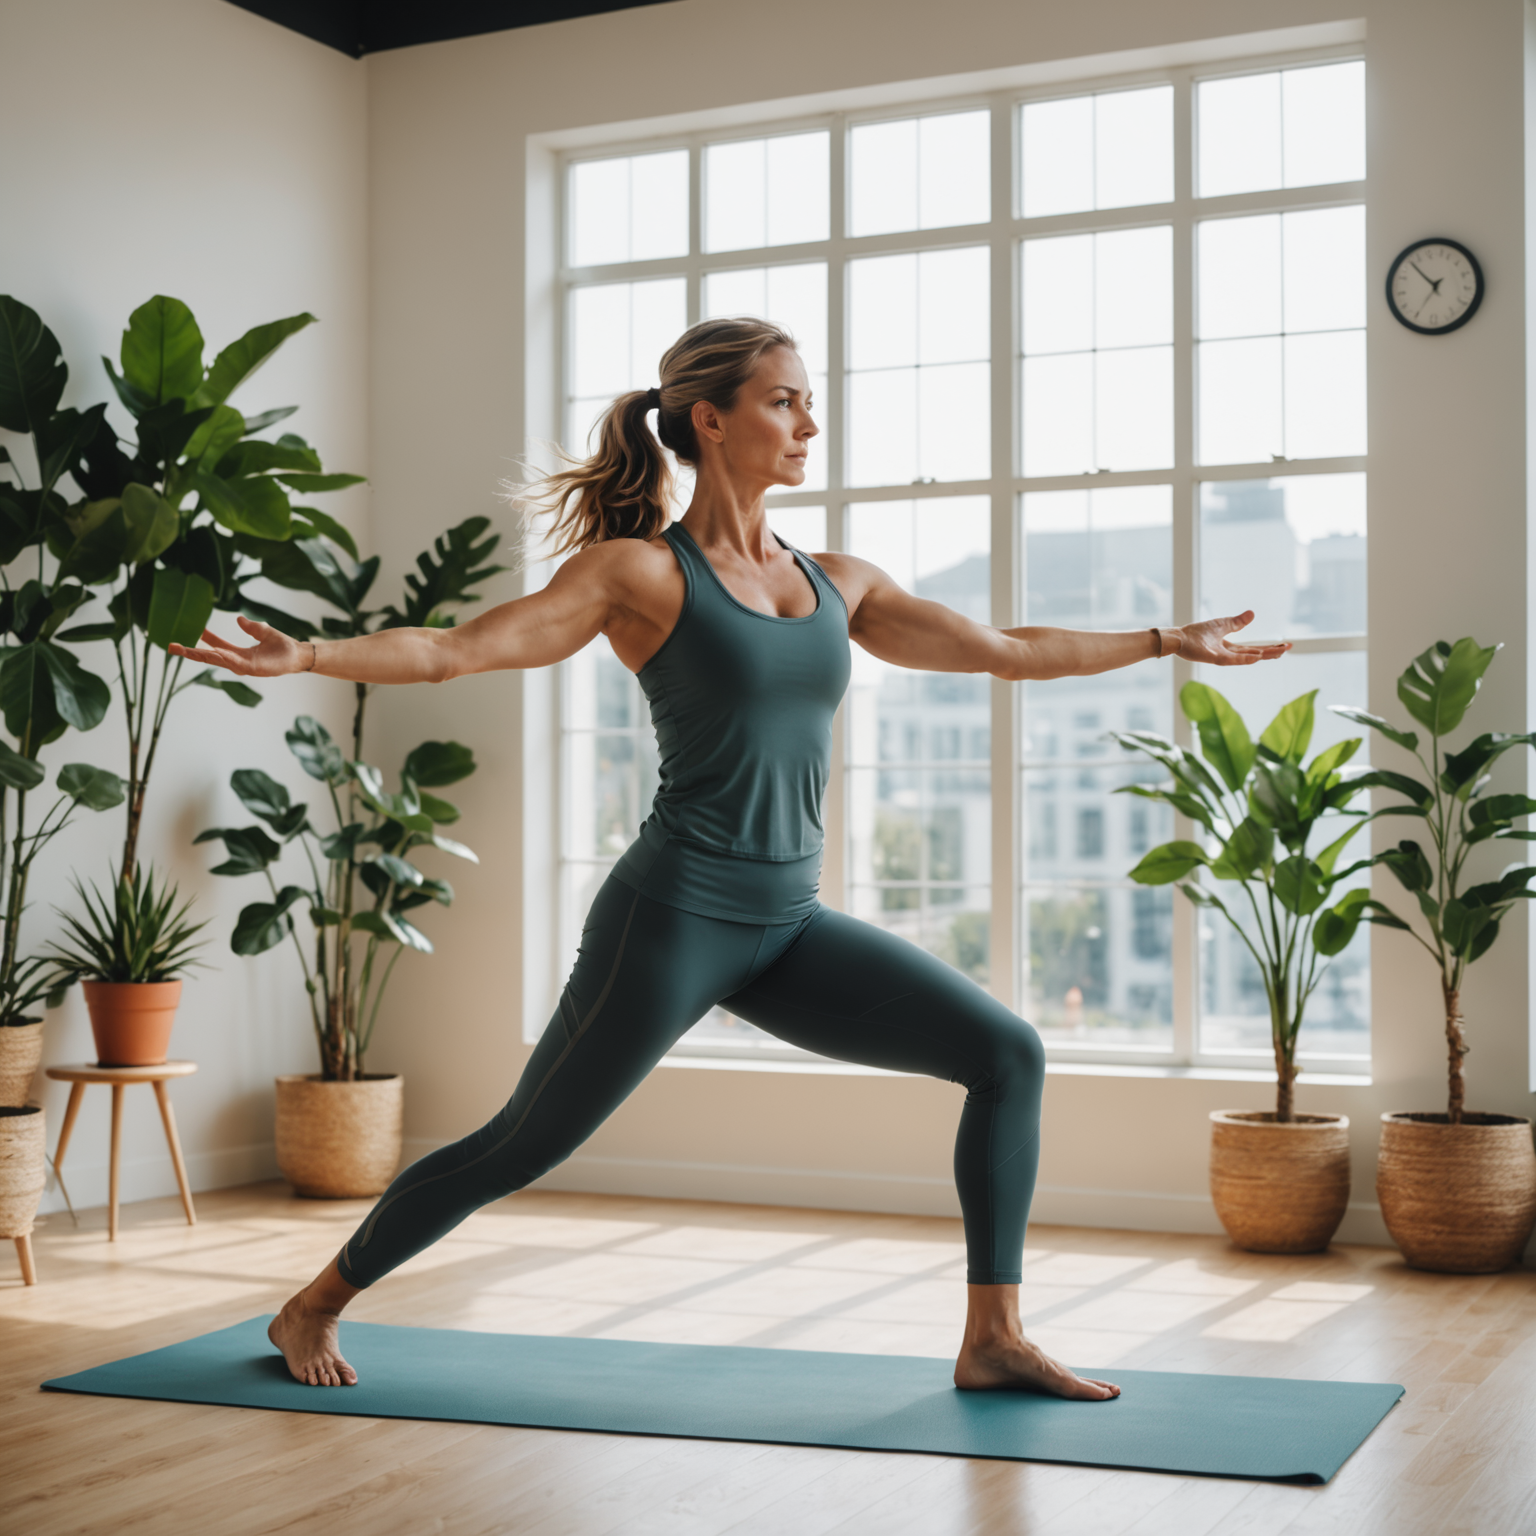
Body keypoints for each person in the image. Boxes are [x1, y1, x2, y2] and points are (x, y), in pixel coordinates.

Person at [174, 317, 1288, 1399]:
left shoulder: (837, 582)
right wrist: (312, 651)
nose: (809, 422)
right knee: (522, 1143)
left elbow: (1004, 651)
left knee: (1006, 1054)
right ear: (710, 420)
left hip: (789, 926)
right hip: (674, 916)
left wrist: (1160, 642)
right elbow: (461, 648)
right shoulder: (639, 577)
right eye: (785, 400)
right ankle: (312, 1302)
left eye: (811, 401)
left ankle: (993, 1337)